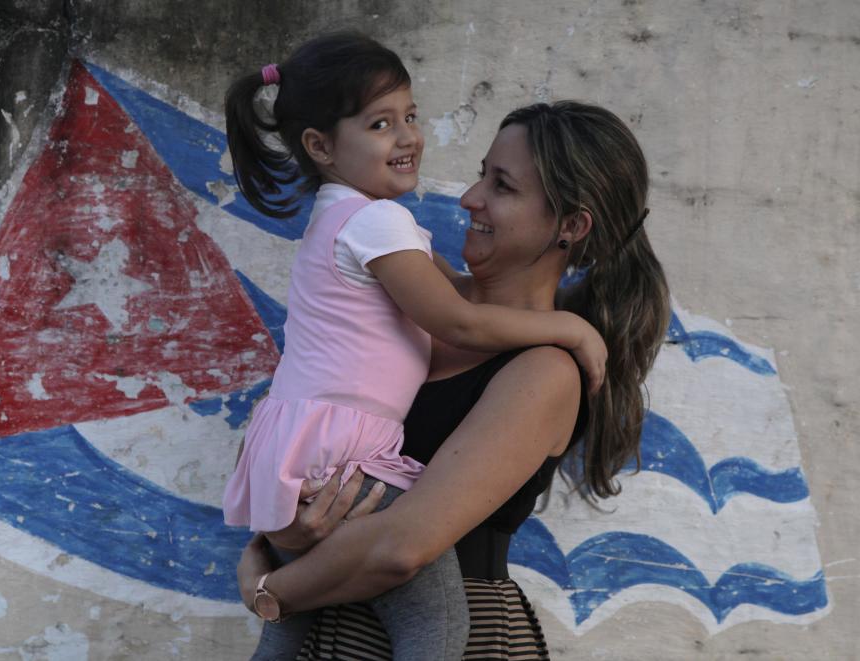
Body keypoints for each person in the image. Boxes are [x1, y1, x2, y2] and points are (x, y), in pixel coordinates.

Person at [235, 100, 671, 660]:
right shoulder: (411, 293)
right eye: (482, 174)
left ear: (571, 225)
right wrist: (275, 539)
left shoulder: (545, 369)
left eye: (503, 186)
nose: (471, 198)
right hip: (326, 628)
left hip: (452, 636)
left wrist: (269, 591)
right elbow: (304, 436)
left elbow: (404, 545)